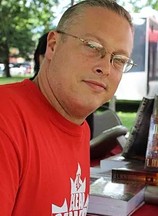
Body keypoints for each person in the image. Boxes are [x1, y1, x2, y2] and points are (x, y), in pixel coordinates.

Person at [0, 0, 134, 215]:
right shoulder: (6, 121)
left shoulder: (80, 128)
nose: (106, 68)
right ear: (53, 46)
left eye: (119, 59)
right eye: (92, 46)